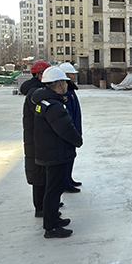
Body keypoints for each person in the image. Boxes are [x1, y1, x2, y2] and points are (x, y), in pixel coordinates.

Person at [31, 67, 83, 238]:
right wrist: (77, 141)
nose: (67, 85)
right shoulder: (54, 106)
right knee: (54, 191)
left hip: (48, 152)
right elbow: (65, 129)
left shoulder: (43, 102)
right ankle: (51, 227)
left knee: (52, 189)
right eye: (65, 82)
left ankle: (53, 219)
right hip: (55, 154)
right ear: (59, 84)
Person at [21, 59, 51, 217]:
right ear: (40, 75)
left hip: (37, 138)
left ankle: (46, 203)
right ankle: (41, 208)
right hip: (36, 140)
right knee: (39, 175)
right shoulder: (35, 93)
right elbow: (44, 115)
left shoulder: (37, 90)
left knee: (43, 174)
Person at [59, 62, 83, 193]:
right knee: (67, 157)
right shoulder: (65, 93)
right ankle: (65, 183)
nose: (74, 76)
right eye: (72, 74)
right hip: (70, 131)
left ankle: (69, 178)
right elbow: (68, 115)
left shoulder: (71, 90)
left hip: (75, 129)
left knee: (71, 156)